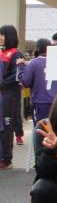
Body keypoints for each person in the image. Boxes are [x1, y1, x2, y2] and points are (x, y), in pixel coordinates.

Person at [0, 24, 25, 166]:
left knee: (6, 125)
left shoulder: (16, 54)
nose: (0, 38)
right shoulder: (2, 53)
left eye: (2, 35)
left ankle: (6, 158)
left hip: (9, 95)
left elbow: (16, 76)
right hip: (2, 94)